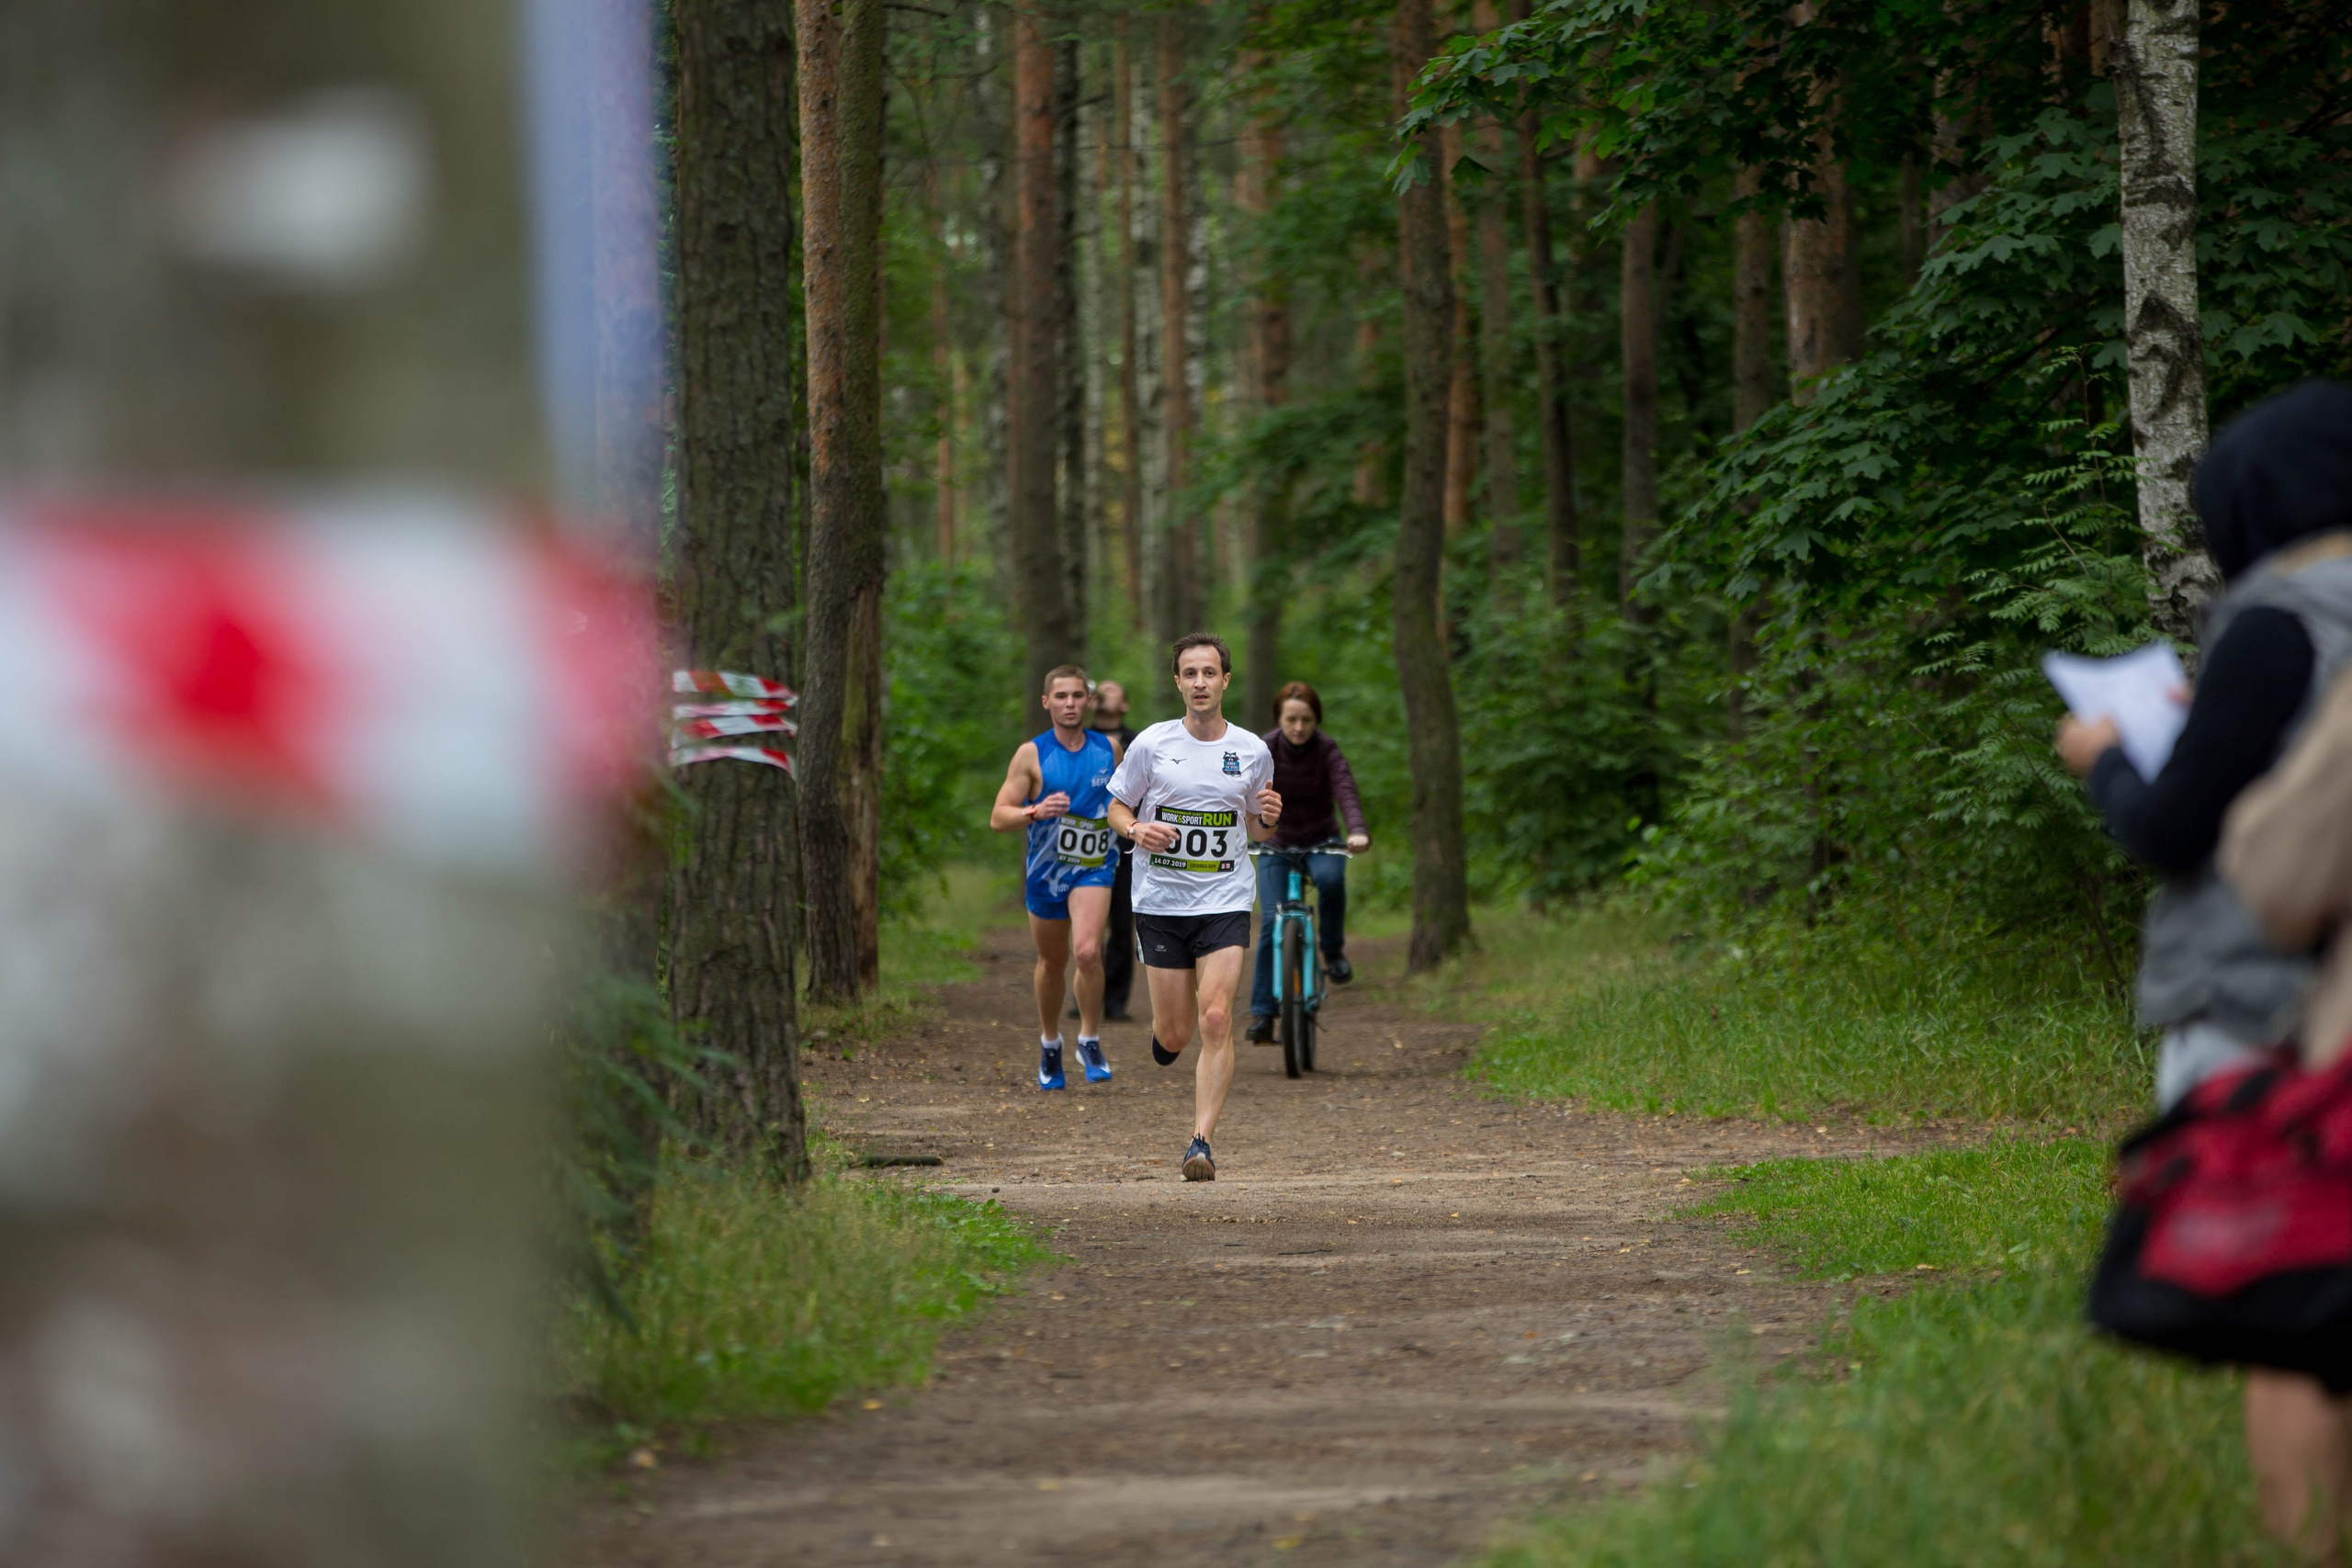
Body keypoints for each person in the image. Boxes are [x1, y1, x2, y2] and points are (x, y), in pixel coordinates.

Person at [2057, 380, 2352, 1559]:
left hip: (2273, 1008)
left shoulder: (2280, 616)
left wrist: (2110, 762)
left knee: (2296, 1303)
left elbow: (2185, 832)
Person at [1106, 634, 1283, 1180]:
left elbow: (1257, 825)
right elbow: (1115, 806)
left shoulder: (1252, 749)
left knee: (1215, 1017)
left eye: (1210, 673)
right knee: (1177, 1033)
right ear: (1177, 682)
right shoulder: (1152, 745)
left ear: (1226, 680)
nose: (1200, 683)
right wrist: (1137, 828)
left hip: (1225, 898)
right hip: (1160, 900)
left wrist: (1270, 816)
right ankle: (1165, 1037)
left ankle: (1200, 1141)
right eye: (1190, 673)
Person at [989, 665, 1121, 1091]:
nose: (1070, 704)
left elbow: (1130, 801)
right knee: (1052, 962)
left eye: (1078, 696)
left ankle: (1089, 1038)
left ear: (1089, 701)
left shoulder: (1110, 749)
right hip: (1046, 871)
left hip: (1095, 865)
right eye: (1061, 696)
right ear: (1047, 702)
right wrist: (1034, 810)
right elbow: (998, 817)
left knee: (1086, 952)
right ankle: (1050, 1043)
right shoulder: (1031, 753)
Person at [1246, 681, 1371, 1043]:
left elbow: (1344, 788)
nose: (1299, 728)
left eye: (1306, 720)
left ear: (1316, 720)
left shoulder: (1327, 750)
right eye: (1291, 720)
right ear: (1278, 720)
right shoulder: (1264, 749)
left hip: (1321, 840)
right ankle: (1263, 1014)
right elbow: (1242, 792)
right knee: (1270, 922)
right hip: (1276, 841)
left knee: (1331, 881)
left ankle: (1332, 950)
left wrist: (1357, 829)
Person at [1089, 679, 1140, 1022]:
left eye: (1113, 689)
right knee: (1088, 928)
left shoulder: (1137, 743)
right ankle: (1087, 994)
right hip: (1086, 843)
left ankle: (1116, 1001)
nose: (1105, 692)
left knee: (1122, 926)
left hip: (1123, 845)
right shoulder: (1078, 738)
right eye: (1100, 689)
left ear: (1124, 705)